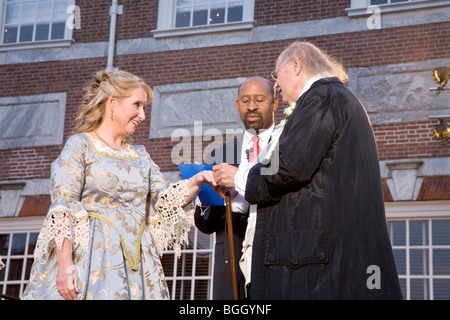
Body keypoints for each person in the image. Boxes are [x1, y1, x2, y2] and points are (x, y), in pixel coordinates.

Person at [22, 70, 216, 300]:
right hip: (92, 263)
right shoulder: (80, 146)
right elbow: (63, 207)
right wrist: (65, 265)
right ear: (112, 103)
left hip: (139, 265)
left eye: (144, 107)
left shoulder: (141, 156)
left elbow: (165, 201)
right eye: (137, 105)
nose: (142, 115)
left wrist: (197, 180)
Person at [232, 41, 403, 299]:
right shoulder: (337, 98)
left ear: (297, 66)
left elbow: (287, 168)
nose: (276, 85)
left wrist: (237, 177)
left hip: (320, 273)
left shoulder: (321, 98)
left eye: (277, 75)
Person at [195, 76, 278, 299]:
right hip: (228, 268)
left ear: (275, 103)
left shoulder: (285, 148)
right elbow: (205, 225)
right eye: (245, 100)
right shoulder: (219, 154)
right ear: (237, 105)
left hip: (274, 262)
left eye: (259, 99)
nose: (251, 106)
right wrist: (207, 200)